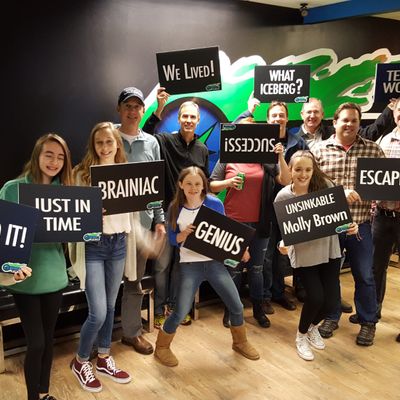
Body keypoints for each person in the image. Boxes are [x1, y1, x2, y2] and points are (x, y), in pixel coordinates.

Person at [154, 166, 259, 367]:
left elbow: (226, 232)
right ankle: (162, 347)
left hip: (214, 263)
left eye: (197, 184)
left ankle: (240, 342)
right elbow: (172, 239)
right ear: (180, 185)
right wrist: (182, 235)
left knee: (236, 305)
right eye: (188, 183)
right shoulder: (175, 207)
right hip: (189, 265)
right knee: (180, 311)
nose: (193, 188)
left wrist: (240, 249)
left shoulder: (214, 203)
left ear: (204, 185)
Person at [0, 133, 72, 400]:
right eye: (49, 155)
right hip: (25, 279)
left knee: (48, 340)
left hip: (54, 276)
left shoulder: (66, 192)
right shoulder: (13, 189)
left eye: (60, 157)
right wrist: (8, 266)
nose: (54, 162)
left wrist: (91, 221)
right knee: (37, 343)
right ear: (37, 155)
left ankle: (44, 394)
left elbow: (73, 231)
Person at [313, 102, 385, 346]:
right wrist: (339, 193)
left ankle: (368, 322)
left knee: (365, 275)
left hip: (360, 225)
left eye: (354, 120)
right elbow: (310, 188)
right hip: (329, 226)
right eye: (345, 120)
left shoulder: (373, 150)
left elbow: (384, 185)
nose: (350, 124)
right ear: (335, 122)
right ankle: (331, 316)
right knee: (329, 275)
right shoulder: (319, 150)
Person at [275, 150, 358, 361]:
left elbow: (341, 219)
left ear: (314, 170)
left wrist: (351, 227)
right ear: (290, 170)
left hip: (329, 249)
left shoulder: (325, 187)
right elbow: (282, 232)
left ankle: (312, 328)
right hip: (304, 255)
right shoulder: (283, 196)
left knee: (332, 302)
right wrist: (282, 244)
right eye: (298, 169)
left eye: (308, 169)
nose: (303, 174)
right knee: (316, 297)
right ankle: (301, 335)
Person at [70, 122, 132, 392]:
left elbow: (132, 215)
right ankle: (80, 360)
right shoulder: (82, 174)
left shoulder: (128, 173)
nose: (105, 147)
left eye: (109, 141)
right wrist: (90, 216)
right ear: (93, 146)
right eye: (100, 142)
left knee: (110, 306)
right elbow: (71, 217)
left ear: (117, 143)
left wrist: (147, 239)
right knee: (98, 312)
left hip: (119, 244)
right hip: (94, 245)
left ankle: (104, 357)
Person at [143, 88, 209, 327]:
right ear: (179, 119)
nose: (189, 120)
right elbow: (145, 134)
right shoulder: (165, 140)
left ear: (198, 120)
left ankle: (176, 308)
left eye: (193, 117)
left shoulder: (202, 149)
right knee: (162, 266)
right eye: (185, 116)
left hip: (190, 218)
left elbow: (204, 184)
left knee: (183, 266)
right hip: (166, 215)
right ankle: (159, 309)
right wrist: (159, 108)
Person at [236, 98, 309, 313]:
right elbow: (235, 131)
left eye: (281, 115)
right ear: (267, 119)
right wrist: (248, 110)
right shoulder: (259, 141)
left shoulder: (298, 142)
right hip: (266, 206)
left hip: (291, 206)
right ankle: (265, 296)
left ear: (287, 118)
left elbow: (306, 169)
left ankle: (279, 292)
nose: (278, 118)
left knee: (283, 254)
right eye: (274, 115)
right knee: (266, 255)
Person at [209, 141, 290, 328]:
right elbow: (212, 185)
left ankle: (258, 309)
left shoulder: (267, 157)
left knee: (257, 269)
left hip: (261, 222)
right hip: (233, 222)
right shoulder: (228, 155)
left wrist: (280, 156)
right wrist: (228, 182)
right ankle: (231, 309)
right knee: (233, 268)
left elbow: (286, 181)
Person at [116, 87, 166, 355]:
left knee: (134, 282)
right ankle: (98, 339)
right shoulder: (107, 137)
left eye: (137, 107)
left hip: (142, 225)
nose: (132, 111)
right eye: (128, 106)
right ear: (119, 109)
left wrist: (159, 220)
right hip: (111, 226)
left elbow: (155, 186)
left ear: (143, 111)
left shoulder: (152, 143)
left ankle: (131, 333)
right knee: (106, 284)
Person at [368, 98, 400, 333]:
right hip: (382, 215)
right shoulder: (384, 140)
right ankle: (372, 312)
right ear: (394, 112)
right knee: (376, 268)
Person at [297, 97, 395, 150]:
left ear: (322, 115)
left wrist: (389, 110)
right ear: (302, 114)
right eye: (309, 112)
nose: (312, 116)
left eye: (316, 112)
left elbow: (370, 133)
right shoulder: (294, 140)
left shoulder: (336, 131)